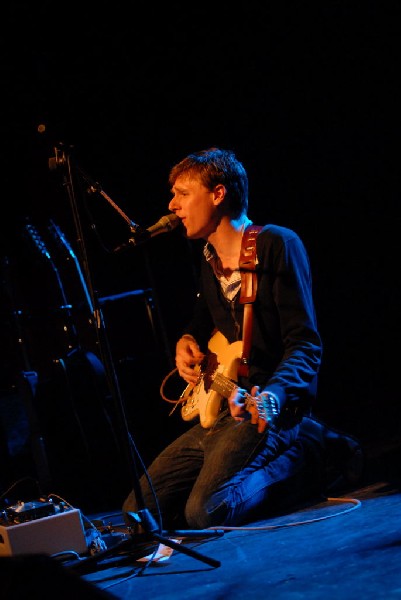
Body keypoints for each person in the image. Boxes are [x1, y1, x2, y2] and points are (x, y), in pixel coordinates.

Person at [122, 147, 363, 531]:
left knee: (205, 512)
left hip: (267, 410)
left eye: (183, 193)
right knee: (140, 512)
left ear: (218, 194)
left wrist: (275, 394)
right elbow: (206, 318)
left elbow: (305, 343)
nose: (172, 204)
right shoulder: (207, 258)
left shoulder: (278, 244)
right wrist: (187, 338)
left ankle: (310, 452)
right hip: (222, 408)